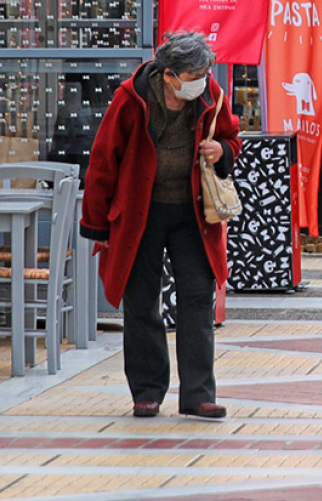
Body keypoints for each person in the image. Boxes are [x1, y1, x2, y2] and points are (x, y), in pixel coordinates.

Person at [80, 32, 241, 419]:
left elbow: (231, 137)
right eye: (192, 73)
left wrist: (222, 151)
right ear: (169, 75)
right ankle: (147, 391)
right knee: (141, 302)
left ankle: (198, 394)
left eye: (204, 71)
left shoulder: (209, 93)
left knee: (198, 299)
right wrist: (97, 227)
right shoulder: (130, 99)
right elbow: (103, 161)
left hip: (192, 214)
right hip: (140, 214)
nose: (201, 79)